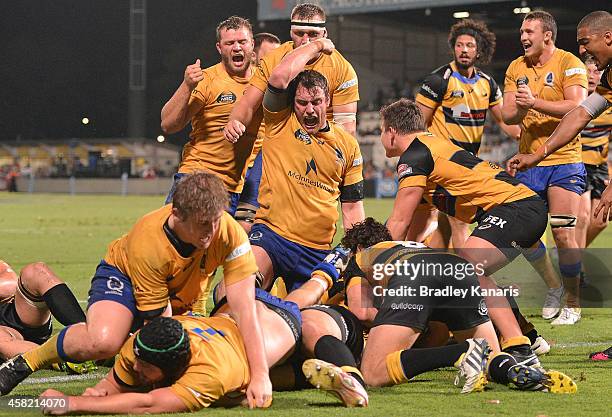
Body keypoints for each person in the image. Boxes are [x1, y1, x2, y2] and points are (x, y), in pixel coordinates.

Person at [0, 172, 272, 406]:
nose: (212, 232)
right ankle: (27, 361)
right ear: (176, 214)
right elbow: (158, 328)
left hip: (183, 289)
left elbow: (245, 309)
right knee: (103, 342)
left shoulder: (229, 231)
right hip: (124, 275)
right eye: (203, 223)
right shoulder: (149, 242)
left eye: (216, 220)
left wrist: (260, 375)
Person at [380, 98, 547, 367]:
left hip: (515, 208)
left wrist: (374, 262)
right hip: (519, 207)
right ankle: (528, 333)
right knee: (468, 269)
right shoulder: (430, 147)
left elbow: (398, 221)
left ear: (391, 132)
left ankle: (519, 349)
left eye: (381, 130)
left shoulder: (414, 154)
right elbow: (415, 226)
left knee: (468, 269)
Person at [340, 219, 576, 394]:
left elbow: (362, 312)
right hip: (458, 269)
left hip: (416, 274)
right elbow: (438, 328)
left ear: (357, 248)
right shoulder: (409, 245)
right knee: (489, 359)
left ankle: (462, 351)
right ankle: (530, 377)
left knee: (372, 373)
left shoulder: (362, 258)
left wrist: (389, 322)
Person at [229, 36, 364, 294]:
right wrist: (316, 45)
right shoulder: (279, 121)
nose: (310, 110)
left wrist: (356, 249)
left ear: (328, 102)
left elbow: (353, 207)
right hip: (271, 238)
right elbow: (279, 78)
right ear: (293, 104)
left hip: (316, 250)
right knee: (235, 290)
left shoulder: (348, 146)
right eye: (302, 103)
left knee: (311, 324)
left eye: (316, 103)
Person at [39, 290, 301, 414]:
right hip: (225, 322)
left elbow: (148, 404)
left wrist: (72, 403)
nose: (135, 367)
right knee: (237, 390)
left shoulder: (209, 373)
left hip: (278, 324)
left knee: (306, 301)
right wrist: (97, 394)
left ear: (175, 366)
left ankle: (327, 272)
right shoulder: (141, 346)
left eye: (143, 366)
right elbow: (113, 385)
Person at [502, 11, 588, 325]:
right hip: (529, 161)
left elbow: (578, 106)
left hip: (564, 160)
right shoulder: (515, 67)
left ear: (547, 35)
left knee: (564, 233)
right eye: (522, 32)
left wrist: (535, 103)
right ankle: (553, 286)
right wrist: (521, 107)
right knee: (525, 235)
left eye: (529, 32)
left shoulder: (569, 63)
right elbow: (509, 116)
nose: (523, 37)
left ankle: (573, 302)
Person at [415, 19, 521, 249]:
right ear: (453, 47)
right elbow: (417, 124)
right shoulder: (438, 79)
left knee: (438, 226)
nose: (464, 50)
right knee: (460, 222)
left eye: (470, 46)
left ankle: (429, 275)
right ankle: (470, 279)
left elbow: (504, 121)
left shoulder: (488, 84)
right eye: (460, 45)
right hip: (441, 163)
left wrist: (531, 141)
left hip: (466, 163)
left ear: (479, 50)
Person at [160, 16, 259, 216]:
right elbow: (168, 125)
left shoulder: (262, 83)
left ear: (252, 44)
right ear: (219, 48)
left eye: (242, 42)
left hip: (236, 187)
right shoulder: (207, 80)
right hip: (198, 177)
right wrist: (186, 85)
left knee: (221, 246)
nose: (237, 48)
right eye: (229, 43)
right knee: (175, 241)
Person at [224, 2, 359, 143]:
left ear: (324, 34)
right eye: (299, 34)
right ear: (291, 33)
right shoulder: (273, 59)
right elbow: (248, 104)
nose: (306, 41)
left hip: (322, 143)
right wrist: (236, 121)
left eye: (313, 34)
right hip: (281, 142)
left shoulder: (342, 68)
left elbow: (346, 127)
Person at [235, 32, 282, 232]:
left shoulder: (282, 86)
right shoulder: (238, 84)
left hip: (262, 165)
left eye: (279, 57)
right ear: (254, 56)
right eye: (269, 57)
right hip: (235, 164)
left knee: (246, 224)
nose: (275, 63)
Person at [0, 261, 86, 360]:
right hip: (5, 334)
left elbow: (10, 285)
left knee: (35, 271)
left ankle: (90, 334)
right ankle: (58, 359)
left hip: (16, 315)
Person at [576, 55, 612, 261]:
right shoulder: (573, 100)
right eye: (586, 71)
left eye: (596, 71)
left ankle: (569, 255)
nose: (591, 76)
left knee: (600, 222)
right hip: (577, 164)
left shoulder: (608, 103)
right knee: (581, 219)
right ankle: (575, 269)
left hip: (599, 165)